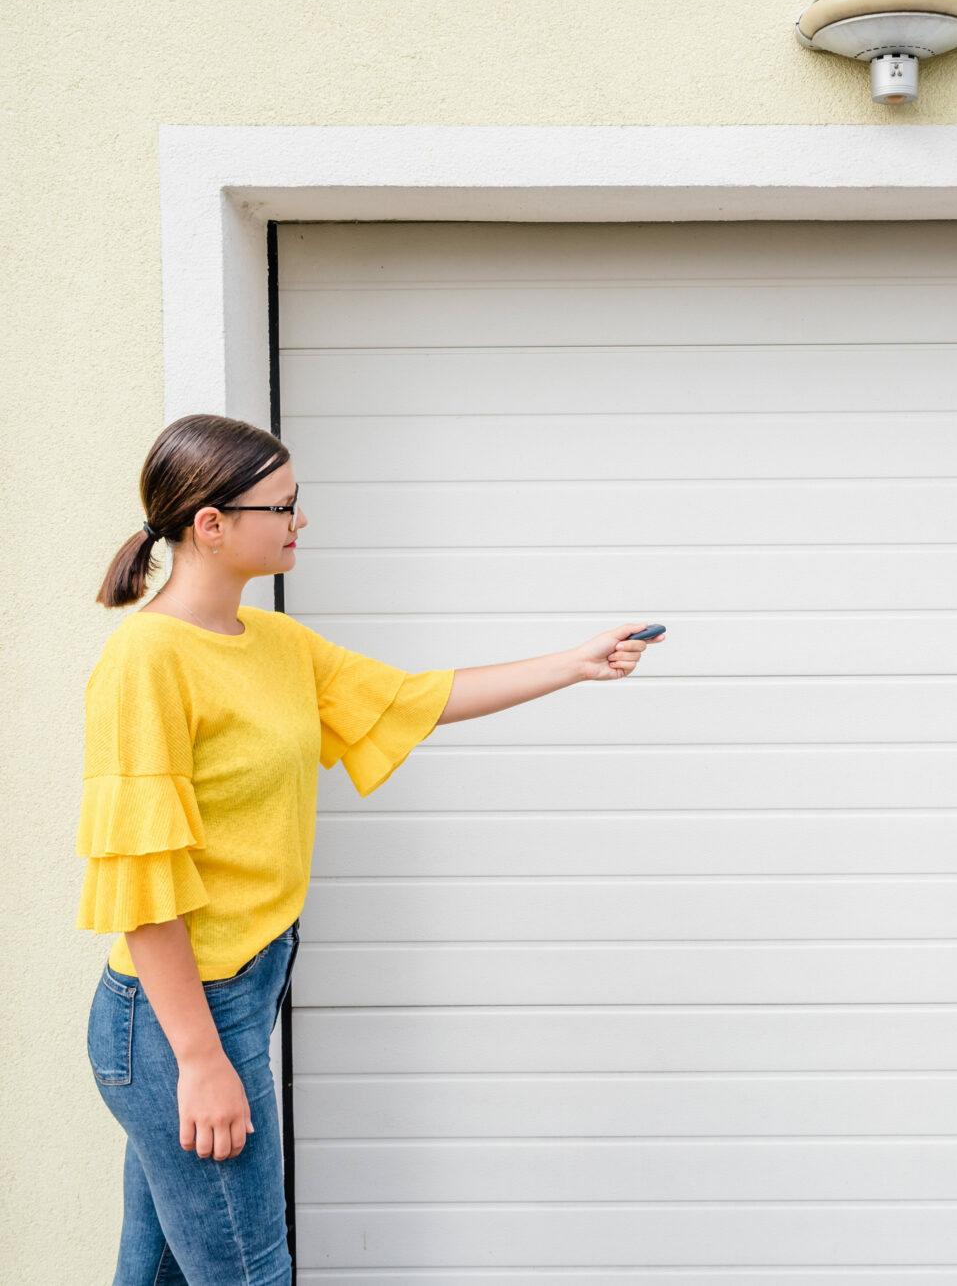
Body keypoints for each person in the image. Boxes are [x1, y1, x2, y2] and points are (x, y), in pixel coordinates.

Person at [78, 413, 663, 1284]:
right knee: (249, 1271)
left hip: (234, 994)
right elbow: (143, 881)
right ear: (211, 524)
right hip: (178, 1021)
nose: (299, 521)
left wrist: (572, 664)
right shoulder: (147, 662)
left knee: (158, 1270)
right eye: (283, 505)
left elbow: (407, 699)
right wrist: (200, 1062)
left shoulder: (274, 644)